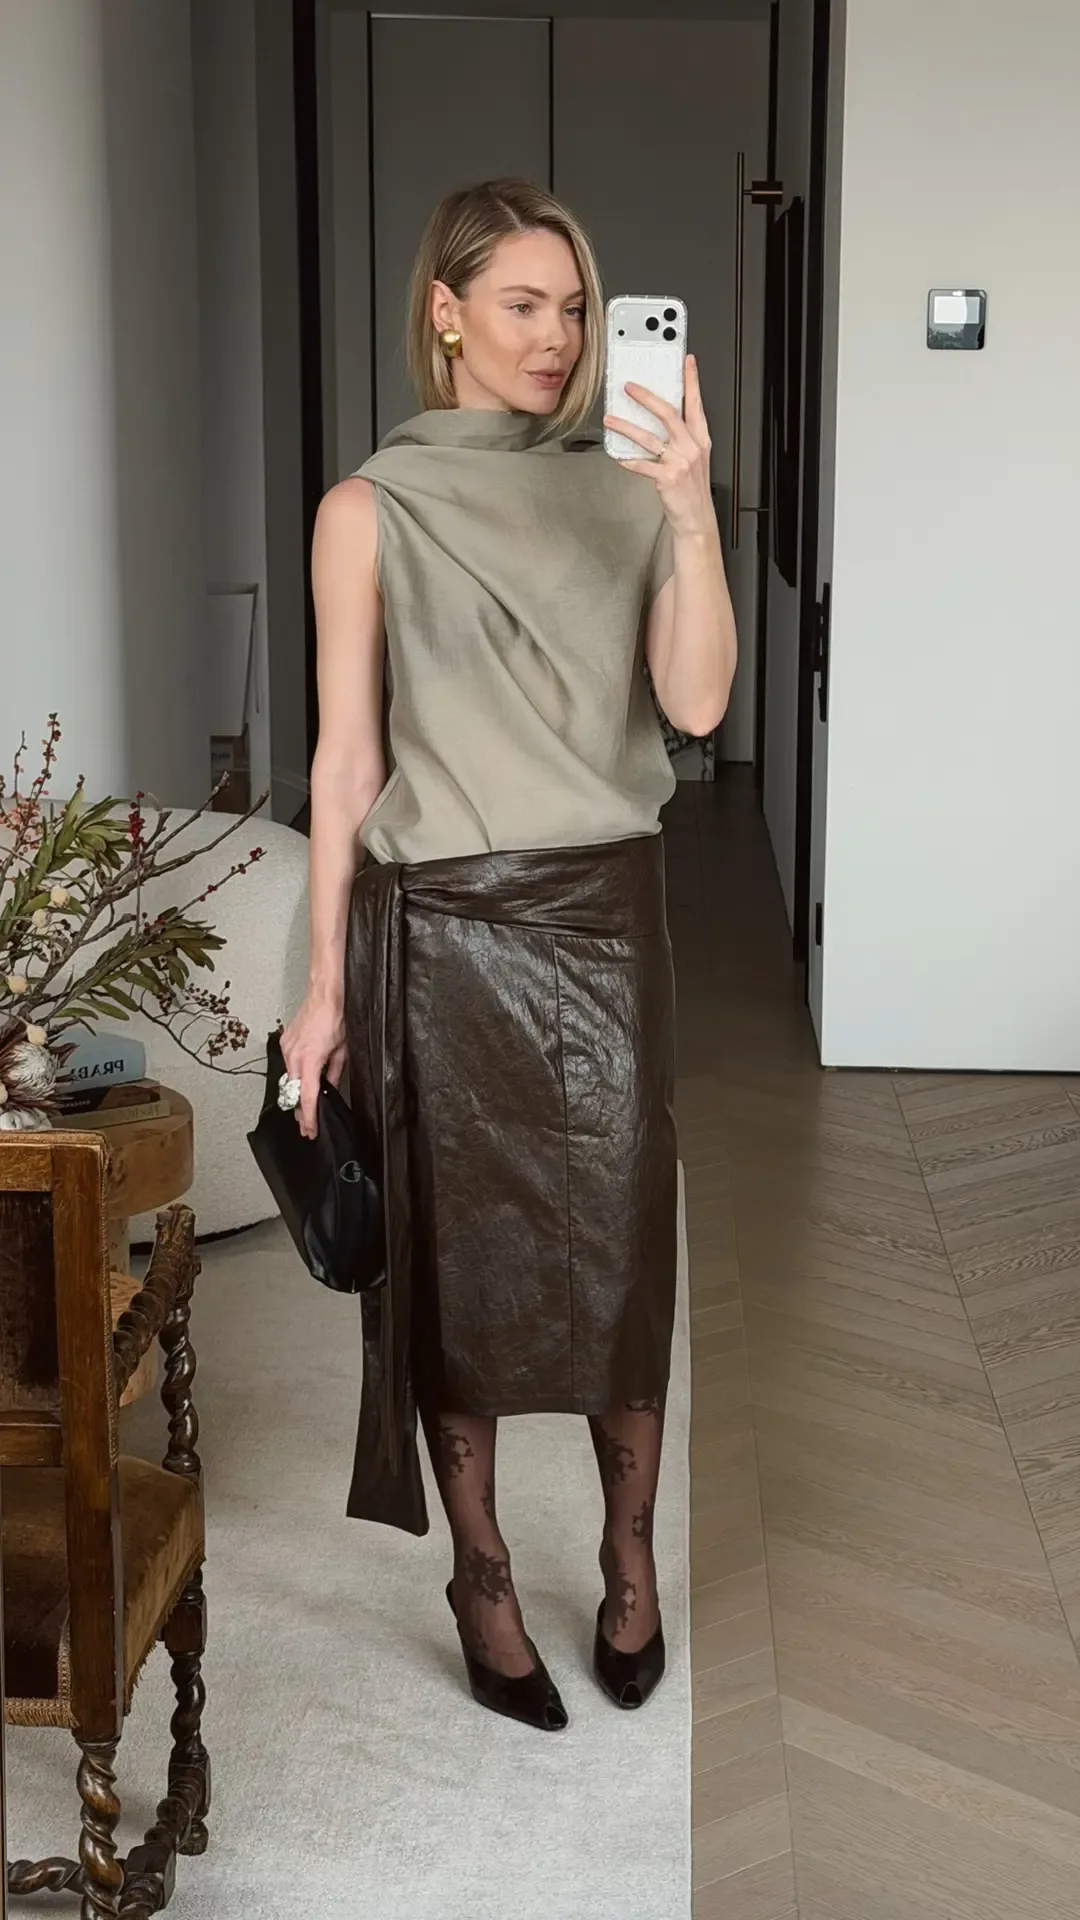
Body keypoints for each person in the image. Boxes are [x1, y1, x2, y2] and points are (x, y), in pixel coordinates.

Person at [281, 178, 736, 1732]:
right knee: (460, 1279)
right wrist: (323, 991)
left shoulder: (629, 488)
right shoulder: (368, 510)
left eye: (576, 308)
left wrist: (690, 509)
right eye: (523, 305)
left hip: (603, 922)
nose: (557, 338)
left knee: (622, 1261)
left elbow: (696, 705)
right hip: (442, 937)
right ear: (447, 311)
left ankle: (627, 1555)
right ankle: (480, 1577)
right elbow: (347, 762)